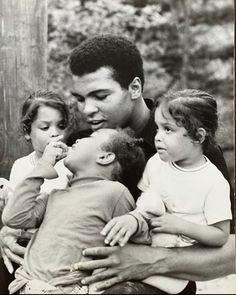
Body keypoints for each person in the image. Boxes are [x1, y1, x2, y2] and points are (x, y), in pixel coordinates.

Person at [0, 34, 234, 294]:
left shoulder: (187, 144)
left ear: (134, 88)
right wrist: (10, 233)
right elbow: (62, 210)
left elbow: (230, 247)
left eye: (100, 96)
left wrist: (152, 261)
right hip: (70, 273)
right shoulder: (82, 140)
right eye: (80, 98)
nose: (87, 109)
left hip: (153, 280)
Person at [101, 89, 232, 294]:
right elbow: (145, 202)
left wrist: (180, 225)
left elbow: (221, 236)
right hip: (148, 246)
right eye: (157, 128)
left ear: (197, 136)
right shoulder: (156, 163)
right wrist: (133, 219)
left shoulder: (214, 182)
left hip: (180, 270)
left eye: (168, 130)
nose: (157, 137)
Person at [2, 128, 146, 294]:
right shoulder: (54, 195)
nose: (77, 140)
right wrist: (43, 165)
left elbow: (136, 237)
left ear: (105, 157)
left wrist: (135, 221)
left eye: (91, 137)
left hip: (66, 289)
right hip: (25, 286)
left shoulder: (114, 193)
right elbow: (13, 217)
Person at [0, 90, 72, 293]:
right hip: (27, 241)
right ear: (26, 131)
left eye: (61, 126)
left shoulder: (71, 163)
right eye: (45, 127)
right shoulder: (21, 165)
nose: (55, 133)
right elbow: (17, 209)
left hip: (60, 243)